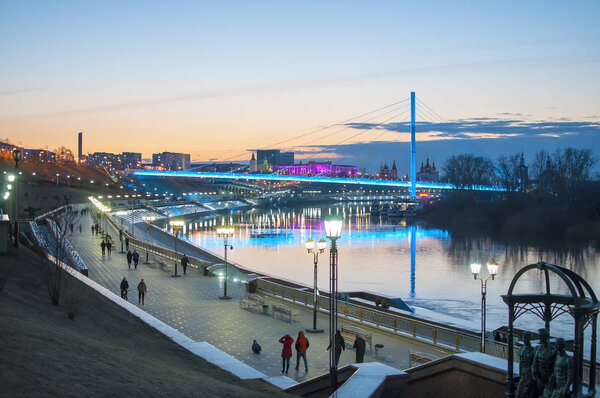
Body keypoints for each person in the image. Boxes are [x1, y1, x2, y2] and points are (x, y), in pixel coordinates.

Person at [532, 328, 556, 394]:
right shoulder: (538, 349)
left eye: (541, 336)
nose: (539, 338)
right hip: (539, 376)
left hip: (549, 377)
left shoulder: (553, 350)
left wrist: (551, 379)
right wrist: (537, 379)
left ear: (546, 337)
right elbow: (534, 365)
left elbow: (556, 367)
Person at [516, 332, 536, 398]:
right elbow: (520, 363)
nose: (524, 340)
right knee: (519, 393)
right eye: (524, 338)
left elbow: (534, 363)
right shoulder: (521, 349)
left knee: (526, 393)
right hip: (523, 374)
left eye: (526, 338)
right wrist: (520, 373)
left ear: (529, 339)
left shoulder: (533, 350)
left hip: (529, 374)